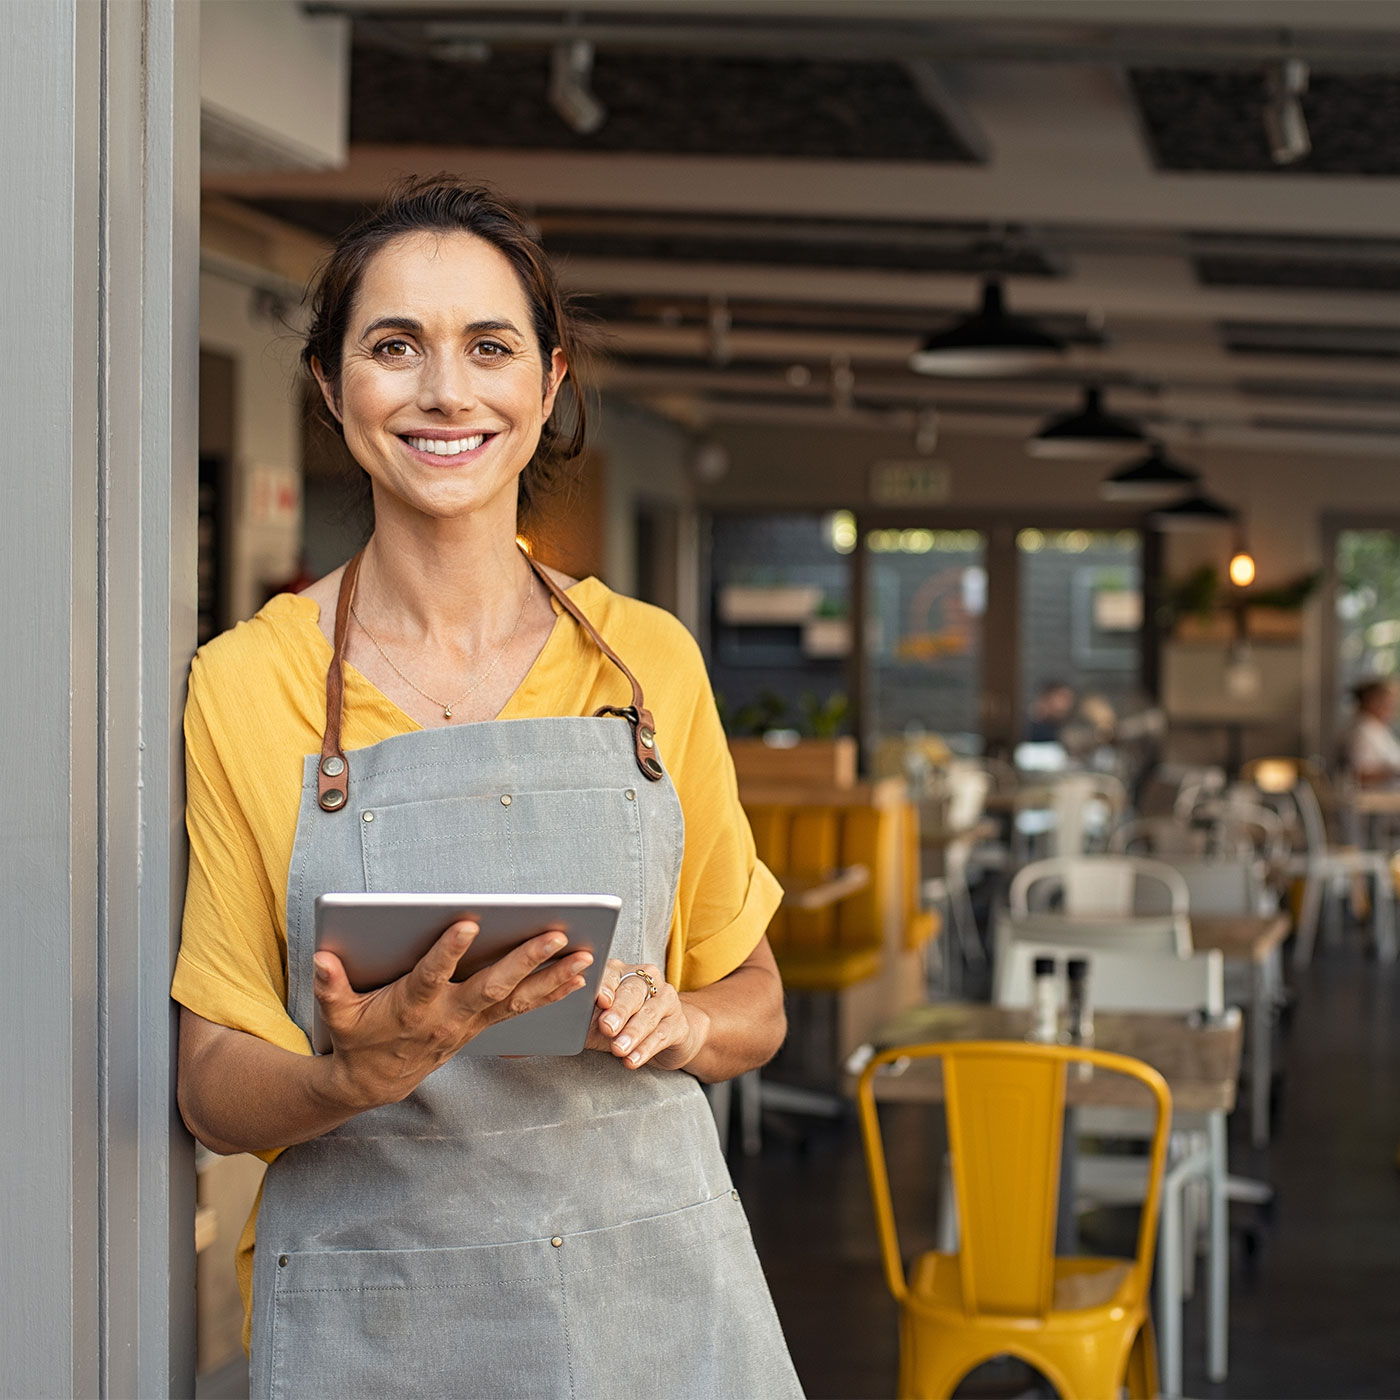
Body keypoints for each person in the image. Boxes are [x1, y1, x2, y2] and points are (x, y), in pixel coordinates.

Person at [173, 178, 803, 1400]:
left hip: (650, 1297)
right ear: (329, 384)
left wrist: (684, 1023)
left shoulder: (644, 663)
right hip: (383, 1309)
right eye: (393, 345)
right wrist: (349, 1073)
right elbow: (211, 1084)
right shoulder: (249, 683)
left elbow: (756, 997)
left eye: (489, 346)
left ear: (548, 382)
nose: (445, 391)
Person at [1344, 677, 1400, 786]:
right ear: (1373, 702)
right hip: (1372, 797)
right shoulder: (1362, 731)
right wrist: (1393, 772)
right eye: (1389, 703)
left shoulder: (1377, 728)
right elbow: (1359, 773)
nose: (1393, 708)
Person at [1024, 679, 1075, 743]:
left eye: (1070, 699)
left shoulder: (1060, 729)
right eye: (1063, 697)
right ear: (1047, 697)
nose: (1067, 704)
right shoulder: (1023, 727)